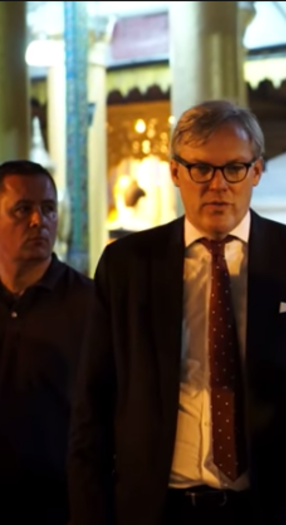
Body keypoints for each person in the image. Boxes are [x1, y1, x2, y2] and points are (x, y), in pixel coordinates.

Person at [68, 100, 286, 525]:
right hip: (158, 508)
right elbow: (92, 407)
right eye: (201, 169)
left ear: (257, 171)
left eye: (234, 169)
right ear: (175, 172)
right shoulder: (128, 265)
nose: (218, 185)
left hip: (274, 510)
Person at [0, 160, 93, 524]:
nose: (39, 222)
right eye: (23, 209)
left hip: (62, 506)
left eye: (48, 209)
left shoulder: (90, 305)